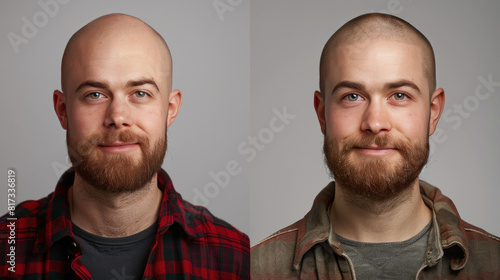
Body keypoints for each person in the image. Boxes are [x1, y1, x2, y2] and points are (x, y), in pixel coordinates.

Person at [251, 13, 500, 279]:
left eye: (400, 95)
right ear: (322, 114)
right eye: (352, 96)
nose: (375, 122)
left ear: (433, 111)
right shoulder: (258, 269)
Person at [0, 13, 249, 280]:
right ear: (63, 111)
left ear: (170, 109)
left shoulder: (235, 258)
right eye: (95, 94)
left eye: (140, 93)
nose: (118, 117)